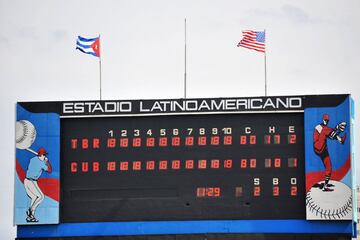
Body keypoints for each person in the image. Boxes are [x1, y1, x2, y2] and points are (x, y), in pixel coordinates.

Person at [313, 114, 346, 192]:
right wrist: (337, 128)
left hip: (323, 149)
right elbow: (326, 131)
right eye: (325, 120)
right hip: (318, 146)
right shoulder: (318, 127)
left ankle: (325, 186)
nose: (326, 121)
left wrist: (336, 129)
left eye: (327, 120)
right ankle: (341, 140)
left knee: (329, 168)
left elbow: (330, 135)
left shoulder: (326, 129)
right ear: (323, 119)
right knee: (325, 131)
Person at [24, 147, 52, 222]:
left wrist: (42, 158)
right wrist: (46, 162)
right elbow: (49, 170)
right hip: (30, 181)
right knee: (41, 197)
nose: (45, 156)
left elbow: (37, 160)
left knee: (34, 197)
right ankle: (31, 209)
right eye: (44, 155)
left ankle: (30, 216)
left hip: (29, 181)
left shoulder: (33, 159)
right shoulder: (41, 163)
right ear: (41, 155)